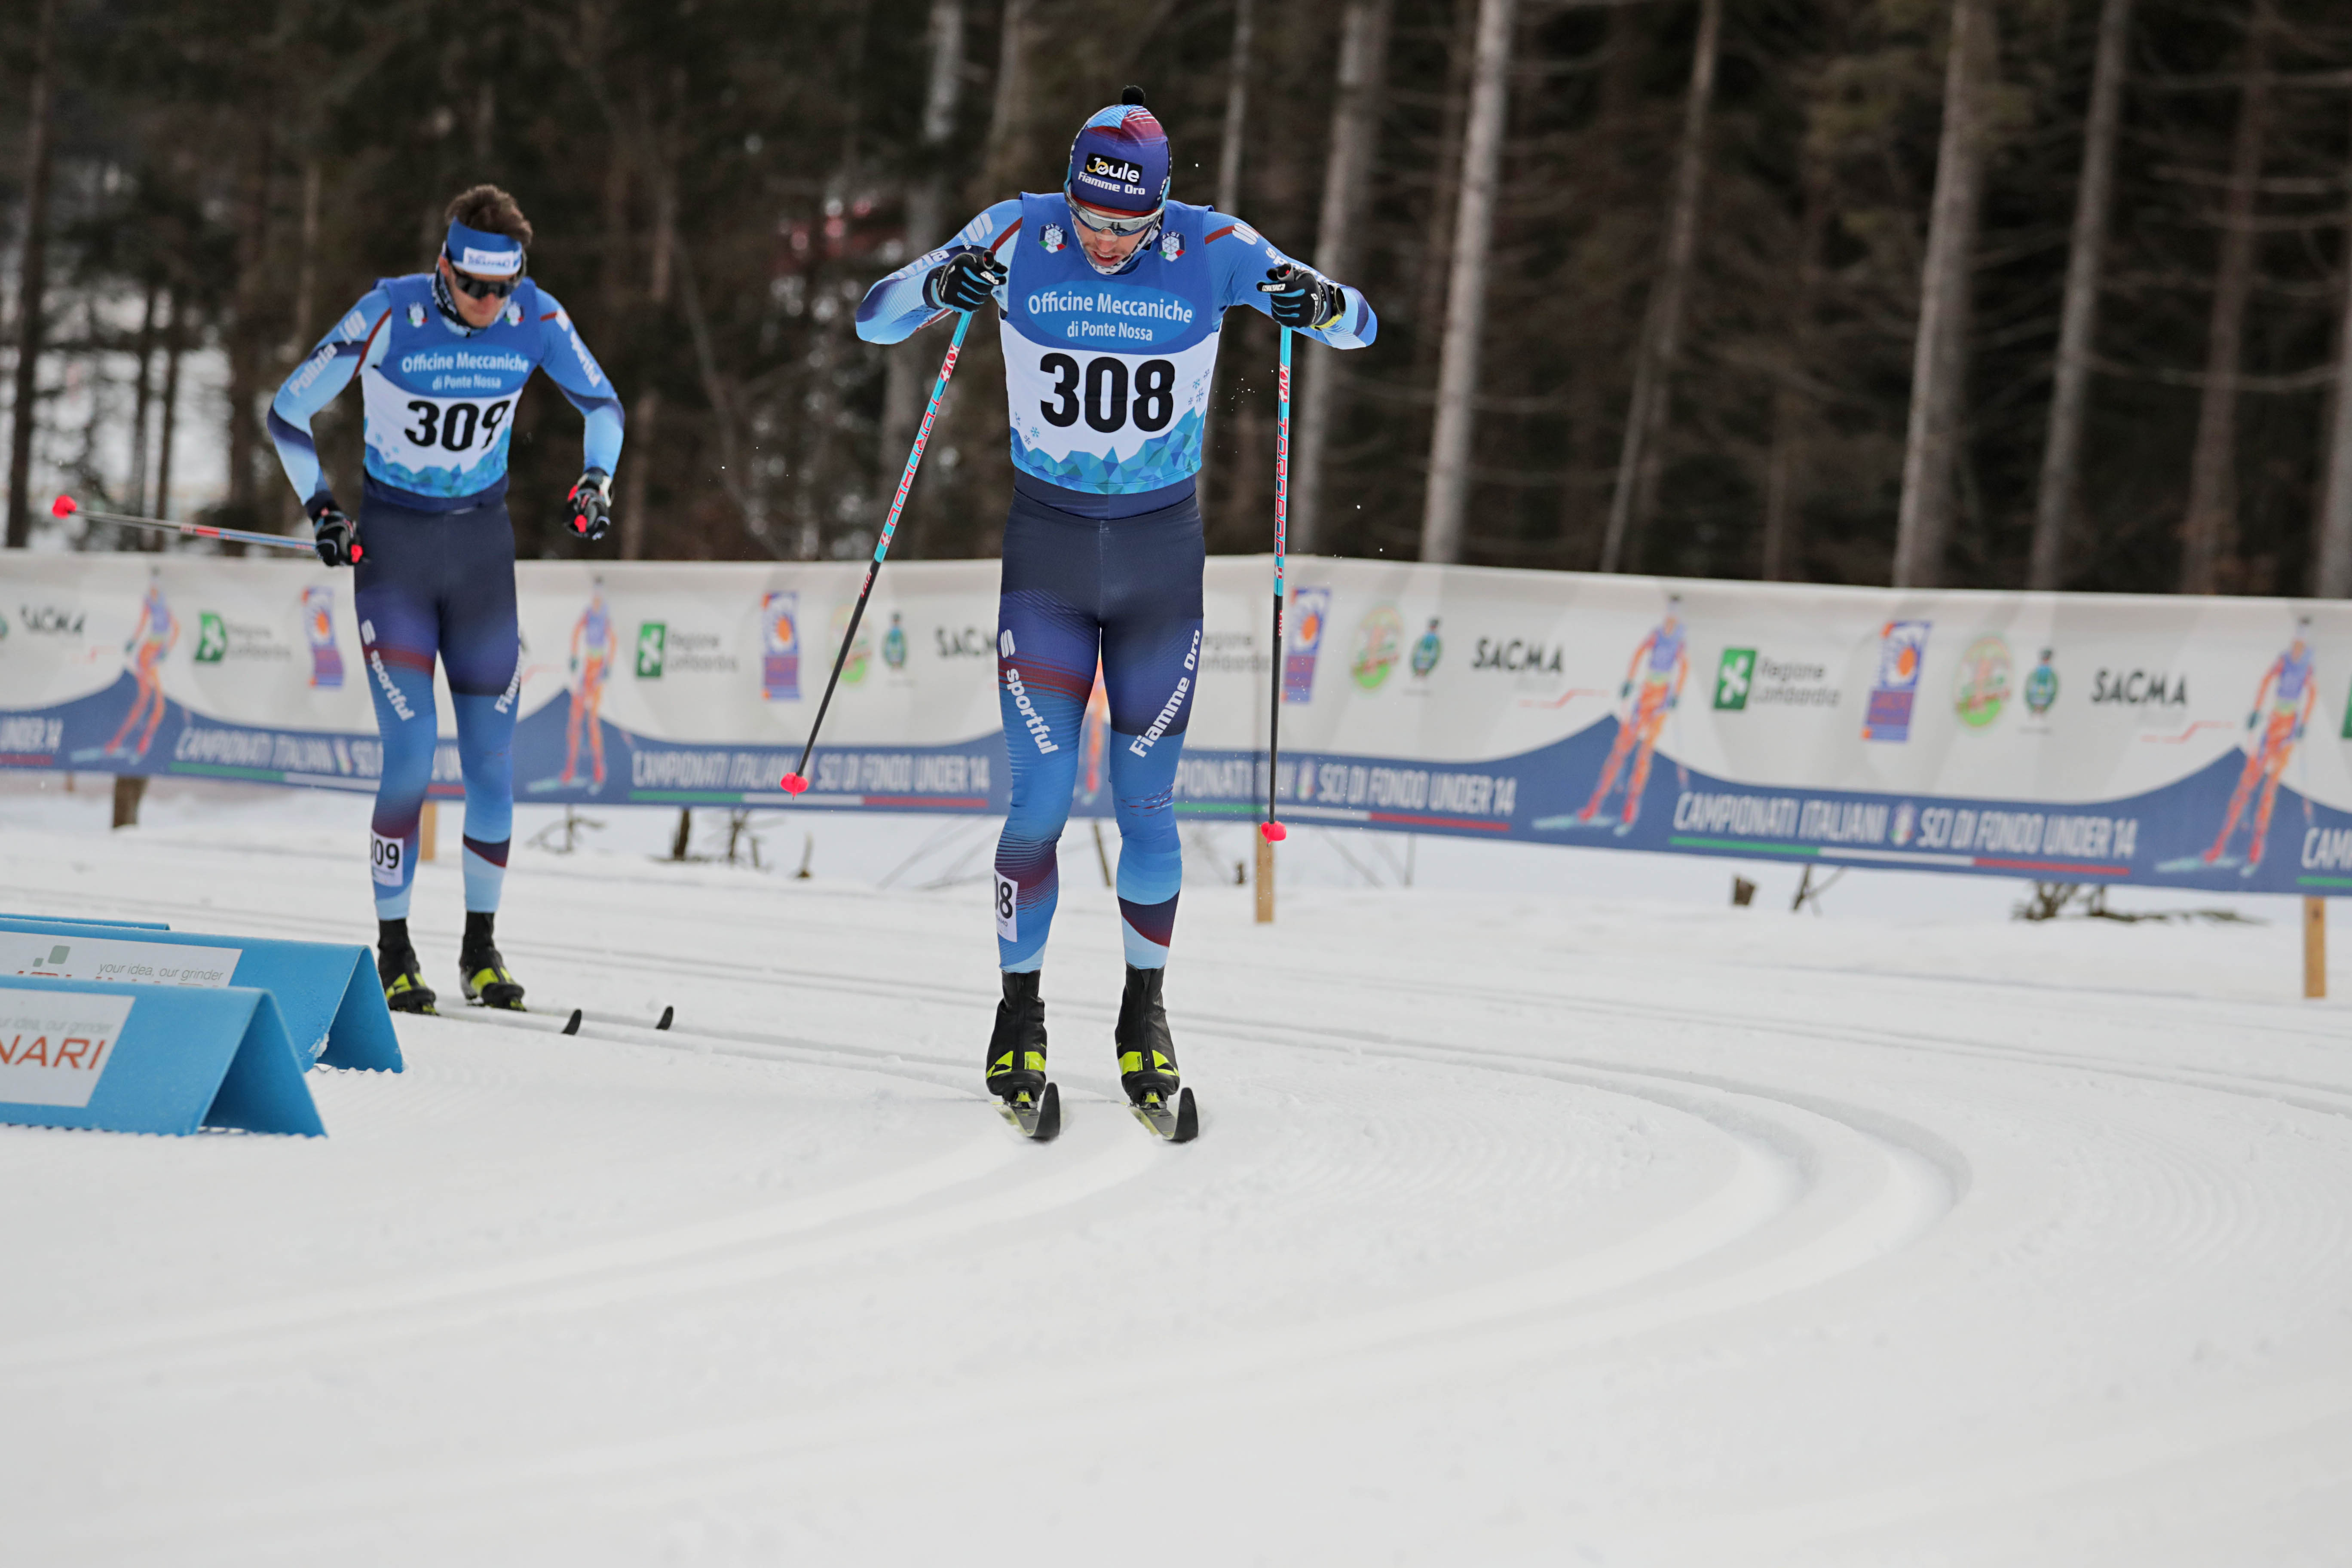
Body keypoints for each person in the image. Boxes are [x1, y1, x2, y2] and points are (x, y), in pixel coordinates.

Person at [855, 88, 1377, 1120]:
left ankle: (1143, 1016)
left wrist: (1310, 306)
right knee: (1039, 800)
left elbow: (1357, 321)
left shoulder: (1213, 245)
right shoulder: (1017, 227)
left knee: (1145, 804)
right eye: (1088, 219)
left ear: (1161, 208)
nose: (1100, 243)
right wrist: (939, 286)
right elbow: (876, 316)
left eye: (1125, 227)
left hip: (1158, 567)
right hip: (1045, 556)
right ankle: (1017, 1017)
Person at [267, 184, 624, 1014]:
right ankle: (395, 950)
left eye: (503, 287)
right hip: (395, 550)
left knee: (495, 765)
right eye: (474, 286)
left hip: (479, 553)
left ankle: (480, 949)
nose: (490, 304)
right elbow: (289, 408)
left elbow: (602, 403)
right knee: (411, 755)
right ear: (444, 268)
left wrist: (596, 479)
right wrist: (322, 508)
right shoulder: (389, 312)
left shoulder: (536, 315)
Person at [2205, 618, 2316, 876]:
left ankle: (2256, 846)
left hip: (2287, 732)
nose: (2298, 647)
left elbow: (2312, 694)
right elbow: (2267, 681)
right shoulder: (2285, 660)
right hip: (2273, 726)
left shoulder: (2307, 666)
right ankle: (2221, 843)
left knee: (2269, 790)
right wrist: (2257, 709)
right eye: (2296, 642)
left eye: (2302, 642)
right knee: (2247, 783)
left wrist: (2304, 724)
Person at [1579, 596, 1688, 833]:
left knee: (1644, 754)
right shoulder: (1658, 633)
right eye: (1669, 612)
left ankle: (1631, 806)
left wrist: (1676, 694)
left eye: (1674, 613)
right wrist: (1630, 679)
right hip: (1645, 695)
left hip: (1660, 700)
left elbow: (1684, 667)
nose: (1671, 618)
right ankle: (1595, 803)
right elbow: (1639, 652)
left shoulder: (1680, 637)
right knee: (1621, 749)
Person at [107, 573, 178, 760]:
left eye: (156, 588)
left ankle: (141, 740)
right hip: (148, 653)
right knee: (144, 701)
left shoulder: (165, 603)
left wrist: (166, 650)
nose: (153, 591)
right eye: (152, 588)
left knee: (156, 705)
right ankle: (120, 741)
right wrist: (133, 640)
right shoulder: (150, 602)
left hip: (155, 652)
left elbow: (175, 629)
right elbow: (142, 623)